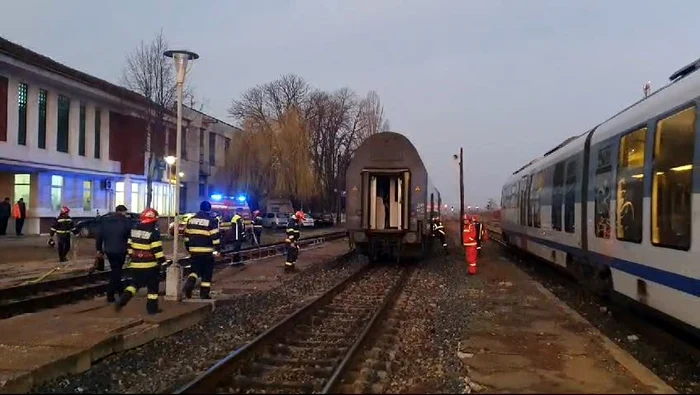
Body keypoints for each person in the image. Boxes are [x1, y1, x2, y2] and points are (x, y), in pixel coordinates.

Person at [116, 208, 164, 314]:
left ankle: (122, 300)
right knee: (152, 289)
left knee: (134, 285)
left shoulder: (134, 229)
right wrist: (163, 263)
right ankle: (152, 310)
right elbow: (157, 250)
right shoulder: (153, 232)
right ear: (154, 220)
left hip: (136, 264)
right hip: (150, 266)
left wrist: (133, 257)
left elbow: (129, 246)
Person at [182, 201, 221, 299]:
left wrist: (188, 248)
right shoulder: (211, 220)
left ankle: (189, 284)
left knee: (194, 270)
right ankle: (204, 294)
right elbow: (215, 237)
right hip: (207, 252)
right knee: (207, 273)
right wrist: (218, 250)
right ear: (209, 209)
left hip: (194, 251)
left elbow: (186, 237)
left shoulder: (191, 220)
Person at [95, 205, 133, 303]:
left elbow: (99, 236)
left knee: (116, 271)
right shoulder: (125, 221)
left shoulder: (106, 221)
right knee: (117, 272)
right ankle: (110, 295)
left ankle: (120, 292)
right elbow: (130, 236)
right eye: (125, 211)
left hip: (109, 250)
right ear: (122, 211)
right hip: (121, 250)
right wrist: (131, 249)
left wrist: (99, 250)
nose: (126, 213)